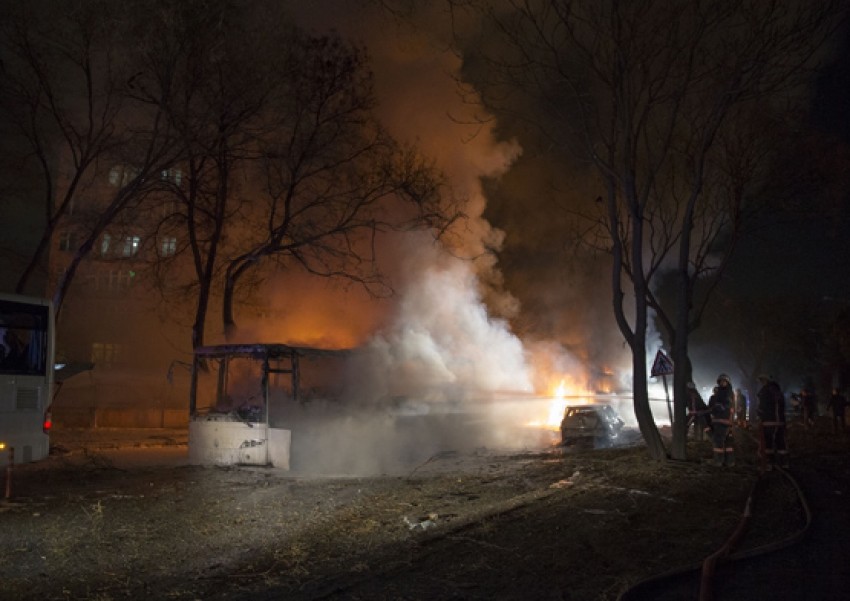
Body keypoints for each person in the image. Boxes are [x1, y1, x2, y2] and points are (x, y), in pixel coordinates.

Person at [757, 375, 789, 469]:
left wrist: (760, 414)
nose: (761, 382)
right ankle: (784, 462)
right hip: (780, 422)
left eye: (762, 380)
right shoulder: (778, 391)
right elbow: (782, 407)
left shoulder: (764, 391)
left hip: (768, 421)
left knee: (768, 443)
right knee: (780, 442)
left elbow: (762, 407)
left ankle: (769, 463)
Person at [708, 373, 735, 466]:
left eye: (724, 381)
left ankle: (718, 461)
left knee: (718, 441)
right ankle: (729, 461)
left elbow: (723, 406)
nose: (722, 383)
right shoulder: (729, 392)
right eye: (721, 381)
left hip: (721, 420)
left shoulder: (725, 393)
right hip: (726, 421)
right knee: (728, 443)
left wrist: (717, 407)